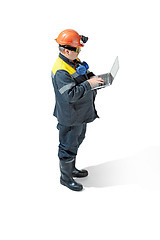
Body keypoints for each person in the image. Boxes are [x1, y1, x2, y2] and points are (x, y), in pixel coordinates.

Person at [51, 29, 104, 191]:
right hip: (70, 115)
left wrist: (94, 78)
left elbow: (82, 75)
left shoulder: (73, 61)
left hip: (79, 113)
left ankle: (71, 168)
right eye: (78, 49)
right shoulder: (61, 70)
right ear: (67, 50)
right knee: (68, 144)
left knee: (77, 139)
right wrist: (89, 84)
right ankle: (65, 178)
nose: (79, 52)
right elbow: (70, 95)